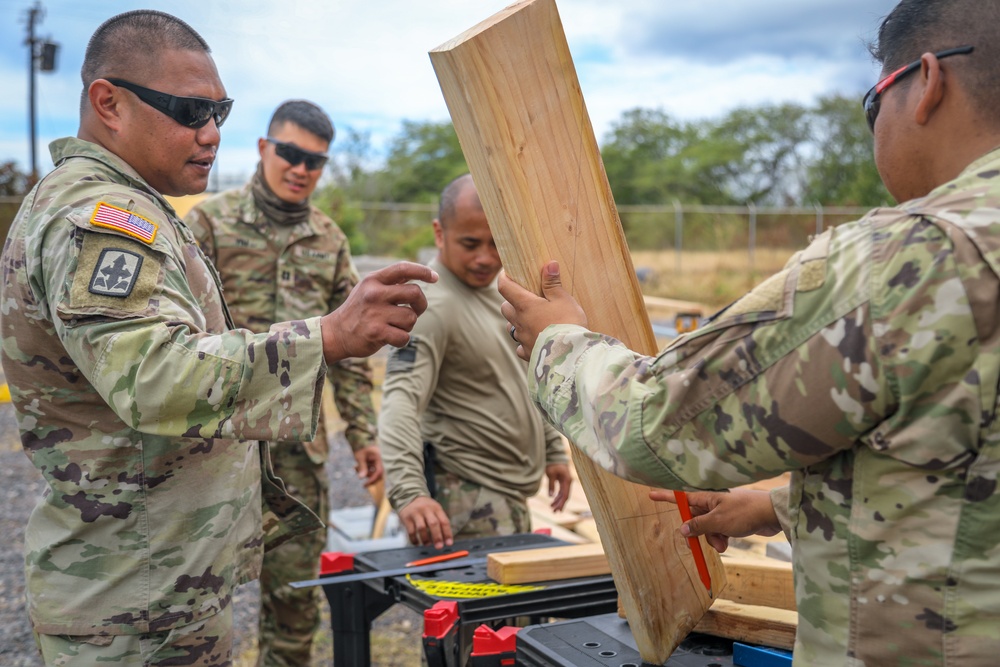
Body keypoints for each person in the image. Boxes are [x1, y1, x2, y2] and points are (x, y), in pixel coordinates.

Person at [498, 0, 1000, 663]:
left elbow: (659, 423)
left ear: (927, 81)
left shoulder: (909, 261)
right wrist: (784, 505)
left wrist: (560, 340)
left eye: (873, 103)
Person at [0, 10, 435, 666]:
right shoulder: (99, 220)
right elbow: (155, 376)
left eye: (219, 113)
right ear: (108, 103)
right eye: (189, 111)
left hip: (159, 586)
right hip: (136, 605)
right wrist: (329, 336)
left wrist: (357, 422)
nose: (209, 135)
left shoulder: (134, 211)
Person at [184, 99, 382, 667]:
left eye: (314, 161)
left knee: (294, 608)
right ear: (264, 149)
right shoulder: (207, 224)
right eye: (291, 154)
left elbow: (353, 349)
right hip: (216, 453)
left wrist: (362, 436)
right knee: (195, 609)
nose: (300, 169)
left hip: (297, 459)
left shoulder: (329, 240)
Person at [380, 174, 572, 549]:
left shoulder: (497, 292)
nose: (485, 257)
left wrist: (551, 449)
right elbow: (400, 400)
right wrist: (409, 492)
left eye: (495, 243)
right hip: (468, 502)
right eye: (470, 244)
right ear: (440, 233)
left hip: (506, 495)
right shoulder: (432, 308)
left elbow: (521, 375)